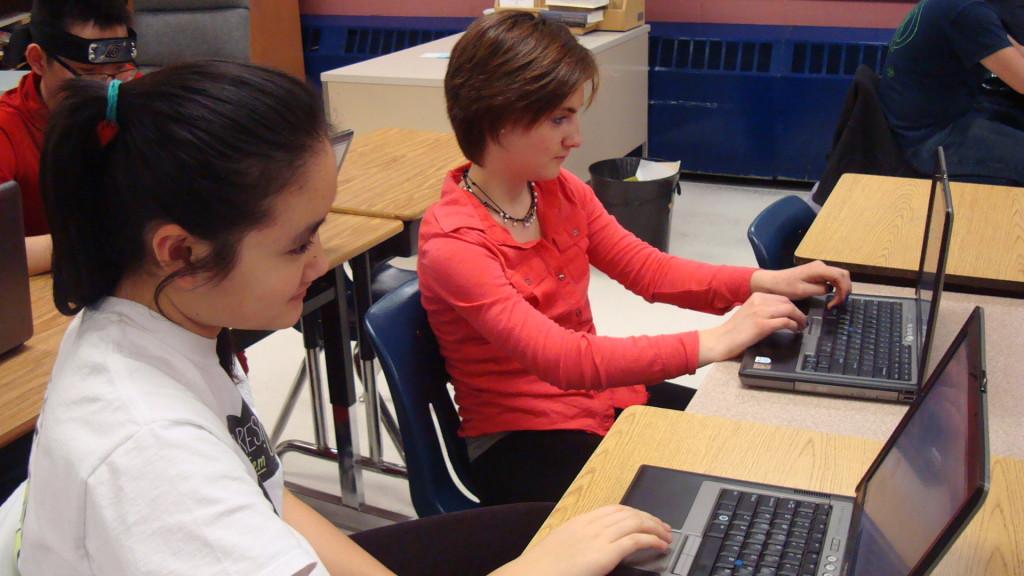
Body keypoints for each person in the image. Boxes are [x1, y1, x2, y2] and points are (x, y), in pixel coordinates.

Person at [9, 60, 673, 576]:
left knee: (577, 532)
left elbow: (271, 491)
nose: (319, 262)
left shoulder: (168, 324)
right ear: (181, 251)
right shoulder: (148, 450)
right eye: (298, 242)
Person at [418, 11, 852, 506]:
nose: (575, 137)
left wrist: (768, 281)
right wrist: (712, 341)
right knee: (690, 509)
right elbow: (562, 359)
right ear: (497, 115)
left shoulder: (559, 192)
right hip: (520, 438)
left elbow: (651, 270)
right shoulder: (455, 243)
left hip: (594, 401)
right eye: (559, 117)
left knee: (743, 451)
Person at [0, 0, 138, 276]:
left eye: (119, 70)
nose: (108, 88)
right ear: (38, 60)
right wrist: (101, 244)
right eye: (88, 74)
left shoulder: (133, 98)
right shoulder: (6, 129)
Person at [879, 0, 1024, 184]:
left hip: (941, 115)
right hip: (930, 140)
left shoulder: (966, 6)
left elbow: (1017, 51)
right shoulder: (968, 12)